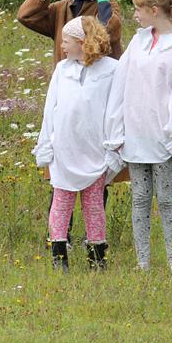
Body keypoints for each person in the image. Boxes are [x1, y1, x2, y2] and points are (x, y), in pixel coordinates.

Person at [18, 0, 126, 242]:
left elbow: (110, 31)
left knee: (95, 176)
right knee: (62, 175)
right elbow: (25, 15)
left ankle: (94, 238)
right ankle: (60, 235)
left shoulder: (108, 6)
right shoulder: (62, 7)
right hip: (67, 92)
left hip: (97, 99)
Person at [105, 0, 172, 271]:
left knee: (168, 198)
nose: (134, 15)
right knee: (140, 198)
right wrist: (116, 129)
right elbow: (121, 84)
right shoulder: (140, 41)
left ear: (153, 9)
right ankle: (143, 262)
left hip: (163, 135)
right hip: (136, 131)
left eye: (137, 9)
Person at [33, 16, 121, 271]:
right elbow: (51, 108)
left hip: (94, 148)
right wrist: (46, 144)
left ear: (83, 43)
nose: (61, 46)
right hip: (64, 148)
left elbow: (116, 110)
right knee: (61, 202)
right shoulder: (63, 70)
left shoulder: (112, 70)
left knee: (94, 205)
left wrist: (114, 146)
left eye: (66, 42)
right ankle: (59, 256)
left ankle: (97, 259)